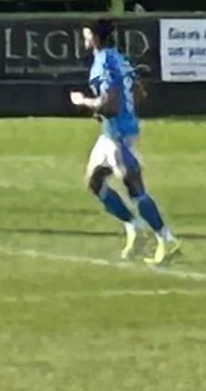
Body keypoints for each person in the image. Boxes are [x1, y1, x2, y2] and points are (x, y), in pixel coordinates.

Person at [68, 17, 178, 264]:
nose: (84, 38)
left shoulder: (103, 63)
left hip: (117, 134)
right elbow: (139, 91)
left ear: (94, 38)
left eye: (86, 34)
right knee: (95, 181)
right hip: (114, 132)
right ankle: (134, 228)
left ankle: (166, 239)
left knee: (135, 188)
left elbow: (110, 105)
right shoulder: (118, 57)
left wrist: (83, 102)